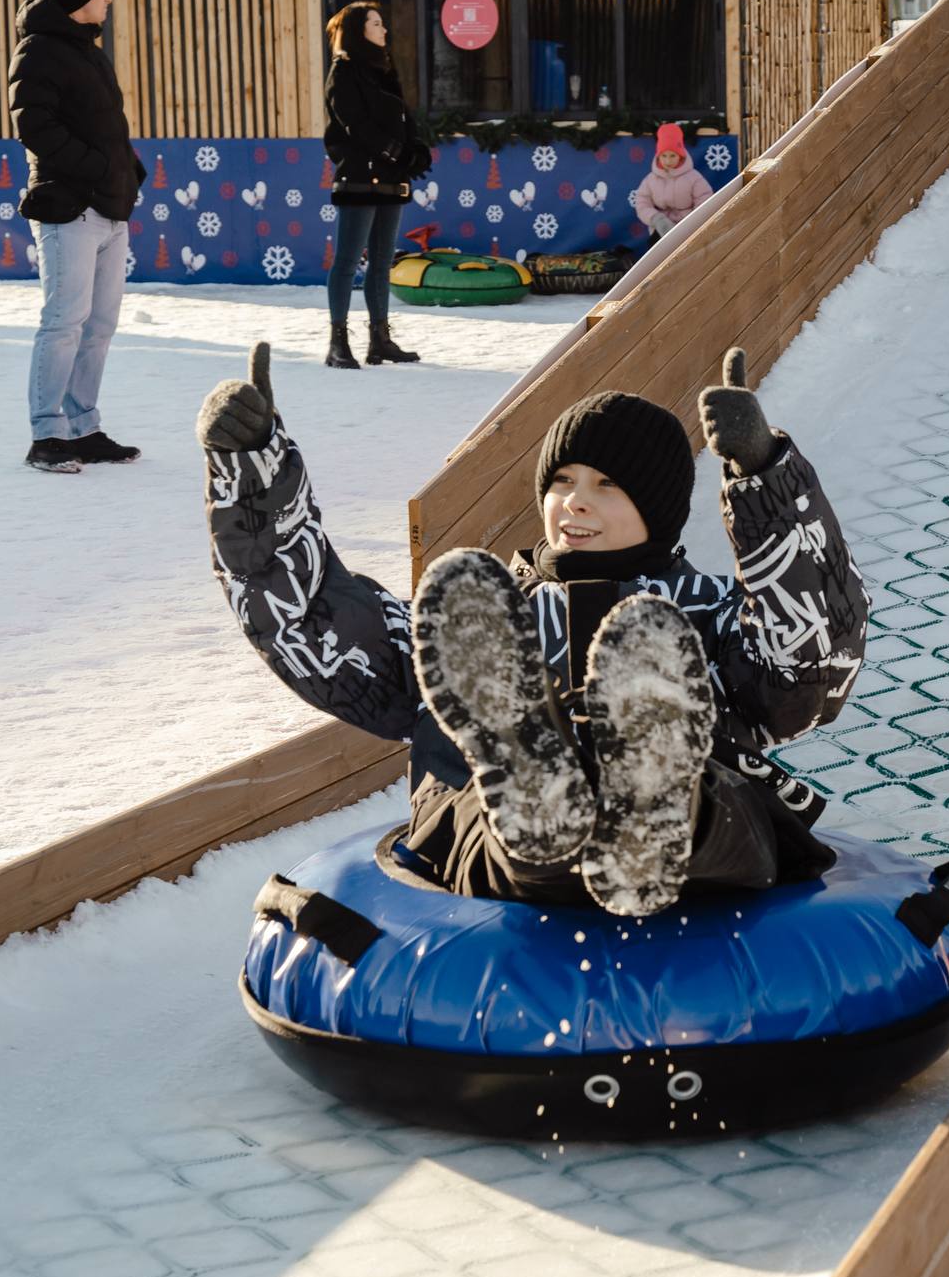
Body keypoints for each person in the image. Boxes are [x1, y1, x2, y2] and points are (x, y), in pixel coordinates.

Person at [198, 343, 868, 917]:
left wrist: (765, 475)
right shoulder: (476, 623)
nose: (574, 500)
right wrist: (254, 475)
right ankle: (530, 785)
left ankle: (653, 797)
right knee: (487, 817)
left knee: (721, 805)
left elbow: (810, 661)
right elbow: (320, 627)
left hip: (699, 850)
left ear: (659, 510)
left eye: (608, 484)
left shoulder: (708, 614)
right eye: (562, 480)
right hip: (496, 848)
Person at [8, 0, 145, 474]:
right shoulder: (38, 50)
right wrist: (93, 170)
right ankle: (47, 434)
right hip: (68, 207)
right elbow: (34, 127)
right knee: (63, 321)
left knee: (101, 324)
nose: (108, 0)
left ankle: (83, 427)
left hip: (109, 205)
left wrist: (127, 171)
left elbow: (107, 126)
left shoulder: (87, 51)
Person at [320, 0, 428, 369]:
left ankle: (380, 340)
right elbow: (356, 125)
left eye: (382, 23)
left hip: (390, 180)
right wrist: (395, 152)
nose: (384, 30)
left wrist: (416, 150)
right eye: (377, 23)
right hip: (359, 178)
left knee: (382, 264)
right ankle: (337, 343)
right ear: (358, 30)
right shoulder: (343, 72)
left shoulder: (383, 69)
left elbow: (402, 116)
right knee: (348, 263)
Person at [630, 122, 715, 240]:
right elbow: (642, 202)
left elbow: (705, 199)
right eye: (664, 156)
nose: (668, 161)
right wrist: (657, 219)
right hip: (660, 228)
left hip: (688, 229)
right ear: (658, 156)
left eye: (672, 156)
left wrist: (692, 221)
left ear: (680, 156)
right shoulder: (651, 179)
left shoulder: (693, 177)